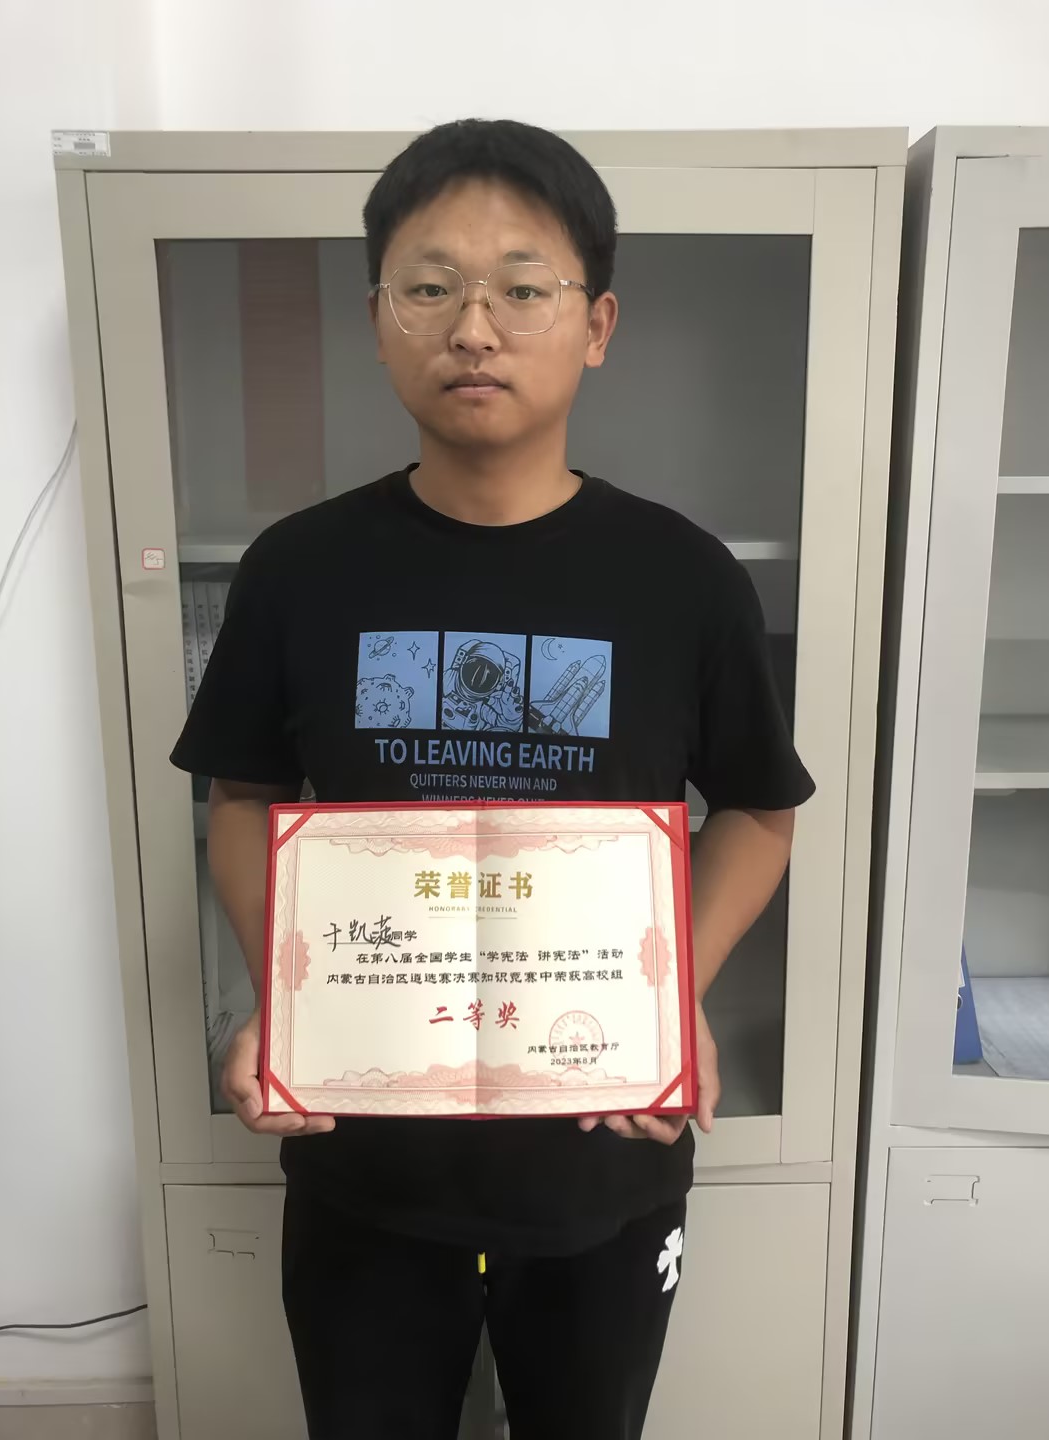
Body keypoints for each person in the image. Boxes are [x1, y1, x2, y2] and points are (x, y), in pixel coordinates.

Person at [170, 117, 814, 1440]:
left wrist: (671, 996)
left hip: (599, 1155)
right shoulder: (299, 569)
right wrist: (283, 994)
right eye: (431, 286)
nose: (474, 327)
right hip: (365, 1157)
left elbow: (759, 811)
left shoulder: (682, 577)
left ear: (597, 323)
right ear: (379, 318)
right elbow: (241, 799)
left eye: (523, 288)